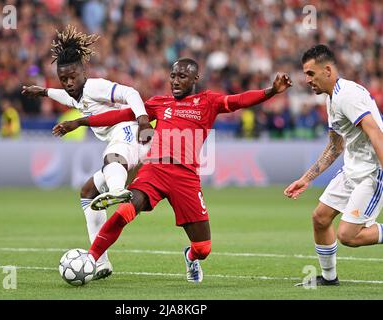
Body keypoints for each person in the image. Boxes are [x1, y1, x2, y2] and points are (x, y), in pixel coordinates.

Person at [53, 58, 292, 282]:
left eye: (182, 77)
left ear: (195, 79)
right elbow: (121, 114)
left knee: (203, 248)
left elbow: (239, 100)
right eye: (173, 76)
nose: (176, 81)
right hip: (155, 169)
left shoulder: (208, 102)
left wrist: (270, 91)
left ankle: (190, 257)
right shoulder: (159, 103)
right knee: (126, 207)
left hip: (186, 178)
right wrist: (79, 122)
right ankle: (91, 258)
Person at [21, 25, 152, 280]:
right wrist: (45, 91)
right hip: (123, 143)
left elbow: (130, 92)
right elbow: (68, 99)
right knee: (88, 193)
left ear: (84, 71)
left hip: (129, 132)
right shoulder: (78, 94)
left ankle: (117, 192)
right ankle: (100, 261)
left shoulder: (94, 87)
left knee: (112, 158)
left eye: (73, 77)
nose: (69, 83)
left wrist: (144, 120)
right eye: (64, 79)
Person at [284, 44, 383, 286]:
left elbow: (376, 133)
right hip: (352, 170)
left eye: (310, 73)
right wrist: (306, 178)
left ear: (327, 70)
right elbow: (335, 146)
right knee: (320, 217)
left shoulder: (348, 96)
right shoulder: (333, 98)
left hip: (371, 173)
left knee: (349, 236)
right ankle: (329, 278)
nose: (307, 80)